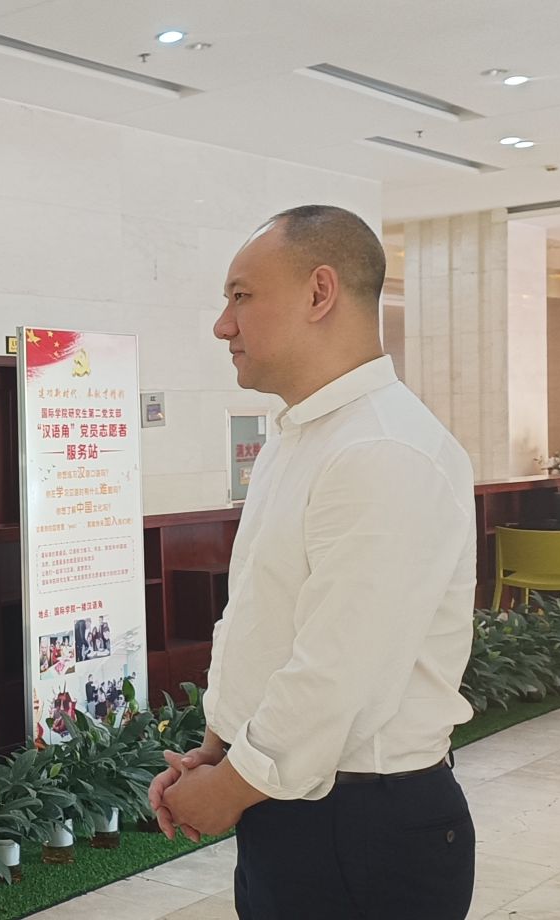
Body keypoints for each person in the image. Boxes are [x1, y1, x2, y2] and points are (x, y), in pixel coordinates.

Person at [150, 206, 476, 920]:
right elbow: (264, 619)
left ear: (319, 292)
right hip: (293, 805)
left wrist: (228, 789)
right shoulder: (303, 436)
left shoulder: (383, 448)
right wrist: (218, 748)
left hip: (364, 827)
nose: (223, 325)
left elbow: (338, 670)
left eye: (241, 296)